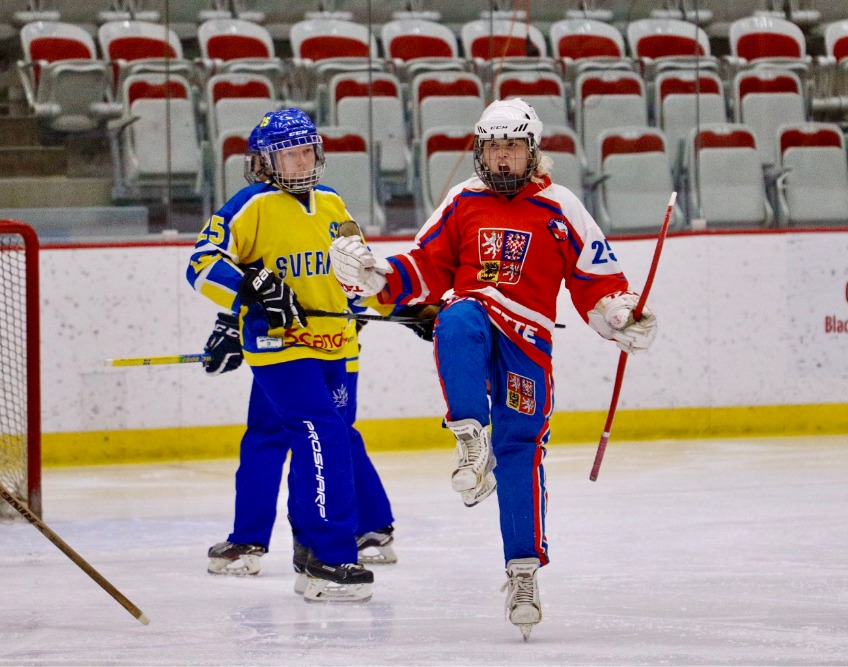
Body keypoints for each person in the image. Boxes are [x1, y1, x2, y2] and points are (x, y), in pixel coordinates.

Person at [329, 99, 658, 638]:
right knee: (457, 316)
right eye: (493, 149)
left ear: (533, 152)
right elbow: (424, 265)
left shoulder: (561, 207)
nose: (502, 159)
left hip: (530, 344)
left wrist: (620, 314)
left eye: (513, 148)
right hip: (478, 317)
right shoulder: (463, 202)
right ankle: (468, 436)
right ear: (480, 152)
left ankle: (523, 571)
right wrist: (377, 273)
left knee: (522, 453)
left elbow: (597, 281)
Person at [187, 108, 376, 603]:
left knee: (274, 434)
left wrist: (409, 305)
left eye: (307, 151)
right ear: (266, 162)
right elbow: (201, 265)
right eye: (289, 154)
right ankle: (327, 557)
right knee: (323, 433)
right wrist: (250, 288)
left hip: (335, 346)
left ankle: (278, 542)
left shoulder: (333, 204)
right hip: (280, 347)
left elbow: (360, 274)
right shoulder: (251, 205)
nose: (301, 162)